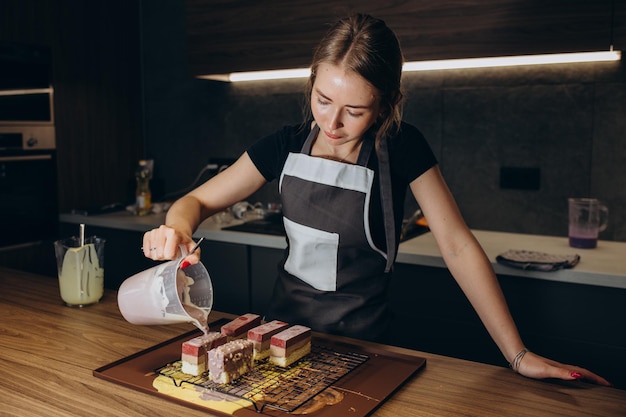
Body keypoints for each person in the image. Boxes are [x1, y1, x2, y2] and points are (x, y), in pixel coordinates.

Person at [143, 13, 610, 386]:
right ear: (311, 84)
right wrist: (178, 227)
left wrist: (518, 354)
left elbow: (457, 246)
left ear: (385, 105)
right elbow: (195, 202)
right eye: (323, 100)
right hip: (278, 341)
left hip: (367, 352)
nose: (332, 123)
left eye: (355, 110)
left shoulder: (402, 149)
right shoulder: (282, 145)